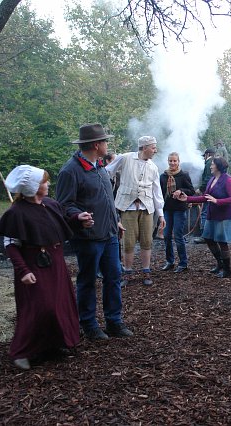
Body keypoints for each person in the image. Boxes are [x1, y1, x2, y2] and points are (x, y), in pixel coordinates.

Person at [0, 165, 82, 370]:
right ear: (33, 186)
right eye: (44, 181)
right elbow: (11, 245)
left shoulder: (50, 204)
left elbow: (64, 222)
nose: (48, 184)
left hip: (56, 261)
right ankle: (21, 352)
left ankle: (54, 344)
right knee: (40, 308)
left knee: (59, 305)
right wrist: (23, 271)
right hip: (34, 264)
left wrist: (79, 219)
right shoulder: (16, 212)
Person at [55, 123, 133, 341]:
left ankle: (114, 322)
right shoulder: (70, 171)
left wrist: (116, 221)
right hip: (88, 237)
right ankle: (89, 324)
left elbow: (106, 200)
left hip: (109, 234)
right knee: (88, 280)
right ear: (97, 145)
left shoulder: (99, 166)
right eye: (105, 141)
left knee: (114, 277)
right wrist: (77, 216)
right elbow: (63, 204)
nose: (108, 144)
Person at [105, 136, 165, 286]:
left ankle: (146, 271)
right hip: (128, 207)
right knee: (128, 241)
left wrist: (161, 214)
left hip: (147, 208)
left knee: (147, 241)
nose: (155, 150)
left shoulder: (153, 167)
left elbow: (157, 191)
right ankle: (128, 273)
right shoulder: (125, 158)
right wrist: (107, 190)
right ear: (144, 148)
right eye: (153, 147)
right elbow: (107, 172)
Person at [174, 157, 231, 278]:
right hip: (211, 214)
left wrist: (217, 201)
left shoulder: (227, 179)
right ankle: (220, 263)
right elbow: (205, 197)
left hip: (223, 216)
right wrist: (188, 199)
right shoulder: (212, 179)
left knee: (222, 242)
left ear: (218, 166)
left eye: (212, 164)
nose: (210, 166)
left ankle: (227, 270)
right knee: (208, 238)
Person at [159, 152, 195, 273]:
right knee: (166, 236)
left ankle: (183, 263)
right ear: (168, 161)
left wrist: (180, 190)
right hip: (167, 209)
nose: (172, 163)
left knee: (178, 236)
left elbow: (191, 190)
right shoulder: (163, 176)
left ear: (178, 162)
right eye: (170, 161)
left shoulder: (183, 175)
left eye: (175, 161)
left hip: (179, 209)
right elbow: (159, 192)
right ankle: (170, 261)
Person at [193, 148, 216, 244]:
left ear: (207, 154)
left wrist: (201, 189)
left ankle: (204, 236)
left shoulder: (209, 163)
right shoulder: (215, 162)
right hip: (214, 192)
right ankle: (211, 235)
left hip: (209, 192)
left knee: (204, 213)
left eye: (204, 156)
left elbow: (207, 178)